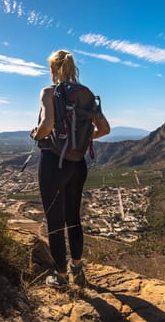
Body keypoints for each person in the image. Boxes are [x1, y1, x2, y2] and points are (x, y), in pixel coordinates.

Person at [30, 49, 110, 289]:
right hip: (78, 165)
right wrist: (86, 139)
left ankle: (61, 278)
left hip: (54, 163)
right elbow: (105, 129)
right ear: (73, 68)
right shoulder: (86, 95)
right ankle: (78, 269)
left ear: (53, 70)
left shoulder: (48, 92)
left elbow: (47, 125)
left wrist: (36, 134)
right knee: (74, 217)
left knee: (55, 221)